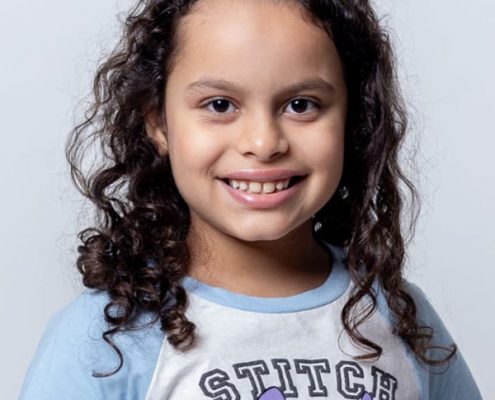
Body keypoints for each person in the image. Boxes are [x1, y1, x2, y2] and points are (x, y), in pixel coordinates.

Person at [19, 0, 482, 399]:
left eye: (301, 104)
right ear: (158, 123)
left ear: (353, 119)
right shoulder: (104, 338)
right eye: (220, 105)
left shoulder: (398, 313)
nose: (263, 143)